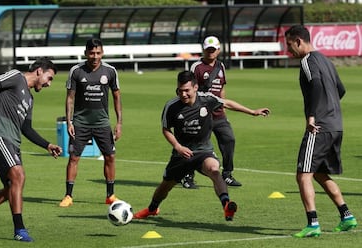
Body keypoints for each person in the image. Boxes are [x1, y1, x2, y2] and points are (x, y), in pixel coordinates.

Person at [134, 71, 269, 221]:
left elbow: (227, 103)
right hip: (182, 154)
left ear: (196, 87)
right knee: (166, 185)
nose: (183, 94)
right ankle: (152, 209)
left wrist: (252, 112)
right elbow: (166, 129)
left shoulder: (207, 100)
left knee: (214, 170)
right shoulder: (171, 106)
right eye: (180, 90)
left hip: (204, 150)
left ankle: (226, 205)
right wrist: (178, 147)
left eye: (187, 90)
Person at [0, 57, 62, 242]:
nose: (49, 84)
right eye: (50, 78)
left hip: (13, 143)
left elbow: (26, 129)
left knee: (10, 190)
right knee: (19, 176)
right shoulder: (16, 77)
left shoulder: (29, 99)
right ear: (39, 71)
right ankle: (19, 230)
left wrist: (47, 145)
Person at [284, 25, 357, 238]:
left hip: (320, 127)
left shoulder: (307, 61)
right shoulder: (326, 60)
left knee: (303, 175)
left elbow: (315, 84)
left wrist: (313, 116)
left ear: (299, 41)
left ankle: (313, 223)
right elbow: (340, 89)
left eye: (289, 45)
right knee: (318, 172)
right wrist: (329, 107)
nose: (289, 50)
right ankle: (347, 216)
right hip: (336, 125)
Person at [182, 35, 271, 189]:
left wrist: (224, 108)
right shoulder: (196, 67)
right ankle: (187, 176)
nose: (210, 52)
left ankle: (227, 174)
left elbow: (222, 90)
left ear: (218, 50)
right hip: (201, 115)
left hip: (218, 113)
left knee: (229, 140)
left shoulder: (221, 66)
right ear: (203, 50)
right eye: (208, 49)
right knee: (196, 145)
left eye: (213, 49)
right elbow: (189, 90)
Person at [59, 38, 122, 207]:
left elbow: (117, 97)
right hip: (80, 123)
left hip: (102, 123)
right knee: (73, 158)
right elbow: (70, 98)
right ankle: (68, 196)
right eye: (92, 53)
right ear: (86, 53)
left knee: (110, 157)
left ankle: (110, 195)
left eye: (98, 53)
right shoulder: (76, 71)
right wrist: (69, 121)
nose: (95, 56)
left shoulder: (110, 71)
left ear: (103, 53)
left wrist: (119, 123)